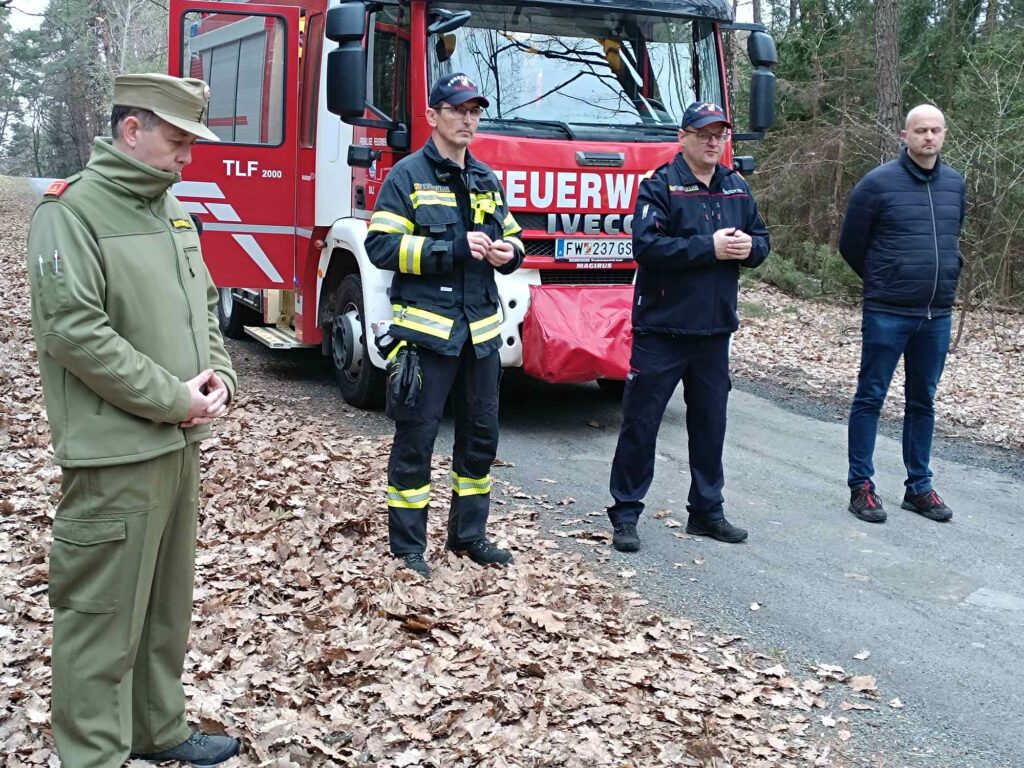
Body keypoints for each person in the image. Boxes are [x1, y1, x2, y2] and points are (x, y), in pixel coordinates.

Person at [26, 74, 240, 767]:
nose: (187, 157)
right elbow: (75, 332)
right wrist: (174, 398)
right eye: (177, 141)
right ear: (131, 129)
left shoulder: (169, 208)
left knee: (164, 607)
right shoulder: (71, 213)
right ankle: (95, 755)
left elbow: (203, 304)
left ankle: (157, 727)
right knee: (101, 618)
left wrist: (220, 376)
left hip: (177, 446)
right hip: (114, 453)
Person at [366, 73, 525, 578]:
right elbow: (380, 247)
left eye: (474, 111)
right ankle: (408, 548)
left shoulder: (486, 178)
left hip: (480, 337)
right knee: (416, 441)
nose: (467, 119)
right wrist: (450, 249)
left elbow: (516, 240)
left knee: (480, 441)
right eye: (457, 110)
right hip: (425, 337)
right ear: (433, 116)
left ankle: (468, 536)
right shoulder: (407, 176)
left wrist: (508, 254)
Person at [606, 102, 770, 552]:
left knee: (710, 426)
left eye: (720, 134)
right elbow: (647, 247)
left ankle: (707, 512)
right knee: (641, 425)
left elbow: (762, 240)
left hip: (714, 331)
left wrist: (750, 249)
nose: (713, 142)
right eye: (704, 134)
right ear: (683, 138)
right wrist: (708, 247)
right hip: (663, 329)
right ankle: (625, 513)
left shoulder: (736, 186)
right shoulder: (659, 185)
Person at [840, 104, 966, 524]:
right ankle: (861, 486)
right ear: (905, 136)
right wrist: (885, 279)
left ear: (944, 134)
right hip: (887, 312)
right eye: (921, 130)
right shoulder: (877, 184)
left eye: (935, 130)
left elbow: (951, 237)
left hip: (937, 314)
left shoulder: (954, 184)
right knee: (871, 396)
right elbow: (850, 244)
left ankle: (919, 487)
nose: (929, 137)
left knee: (923, 401)